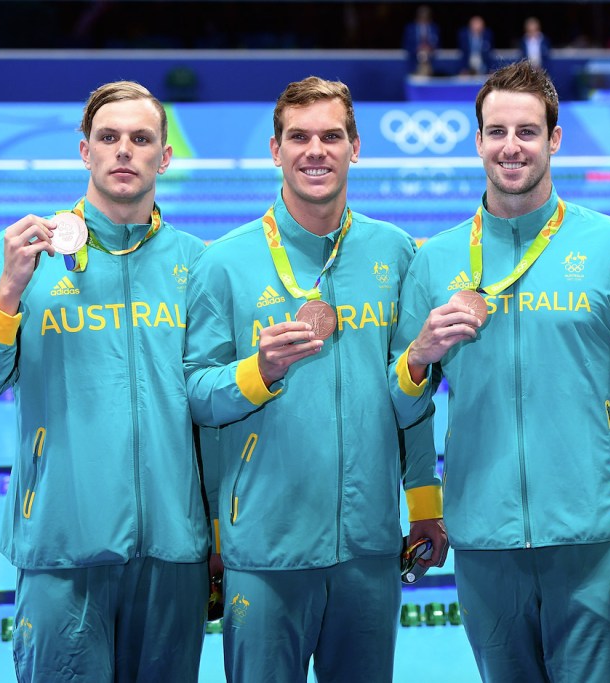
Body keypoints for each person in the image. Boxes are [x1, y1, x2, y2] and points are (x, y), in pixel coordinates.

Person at [389, 60, 610, 683]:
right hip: (485, 537)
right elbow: (402, 407)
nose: (510, 146)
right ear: (477, 141)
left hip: (592, 535)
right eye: (496, 132)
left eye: (526, 131)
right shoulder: (434, 259)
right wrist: (417, 360)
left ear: (554, 138)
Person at [182, 76, 447, 682]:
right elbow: (195, 396)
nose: (315, 151)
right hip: (265, 548)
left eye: (332, 136)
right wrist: (260, 370)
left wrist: (424, 502)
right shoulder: (223, 263)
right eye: (298, 137)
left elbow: (413, 393)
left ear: (356, 146)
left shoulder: (396, 252)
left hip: (369, 546)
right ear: (275, 150)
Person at [0, 81, 210, 681]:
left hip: (174, 552)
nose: (124, 151)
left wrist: (215, 535)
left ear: (164, 157)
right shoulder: (19, 254)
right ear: (84, 151)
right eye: (108, 137)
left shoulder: (196, 263)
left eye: (141, 139)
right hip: (61, 546)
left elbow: (211, 406)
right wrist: (8, 292)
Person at [403, 4, 440, 76]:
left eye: (426, 16)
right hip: (414, 61)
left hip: (431, 60)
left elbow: (438, 44)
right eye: (422, 15)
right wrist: (417, 49)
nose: (424, 17)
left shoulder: (434, 28)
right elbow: (406, 44)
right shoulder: (410, 28)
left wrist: (430, 48)